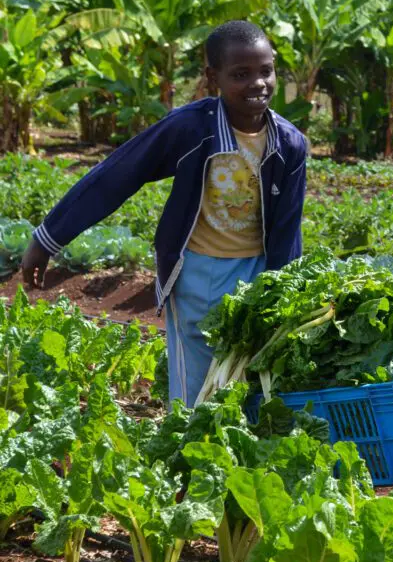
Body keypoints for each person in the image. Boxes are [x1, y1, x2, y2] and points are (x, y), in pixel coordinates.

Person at [21, 20, 307, 407]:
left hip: (257, 270)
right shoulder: (191, 130)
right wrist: (47, 239)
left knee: (255, 378)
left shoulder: (289, 145)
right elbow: (117, 176)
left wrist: (283, 294)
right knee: (196, 390)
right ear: (213, 78)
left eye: (266, 71)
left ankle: (244, 461)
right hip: (198, 273)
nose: (257, 83)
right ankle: (188, 456)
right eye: (241, 74)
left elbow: (288, 229)